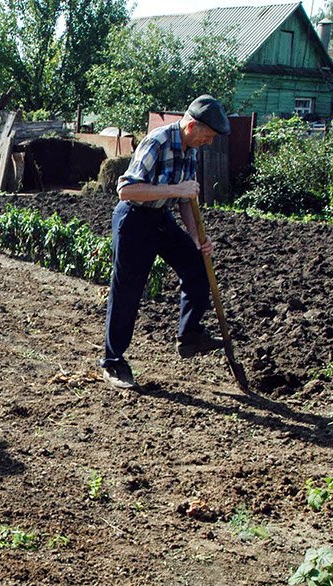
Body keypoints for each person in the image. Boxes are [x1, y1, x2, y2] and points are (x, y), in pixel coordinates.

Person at [99, 94, 231, 390]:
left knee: (197, 266)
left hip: (161, 218)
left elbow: (185, 199)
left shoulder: (190, 148)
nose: (208, 142)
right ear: (191, 125)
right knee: (128, 291)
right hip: (133, 219)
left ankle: (190, 335)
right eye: (207, 136)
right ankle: (113, 362)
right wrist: (175, 188)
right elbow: (127, 190)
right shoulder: (157, 141)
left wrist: (198, 238)